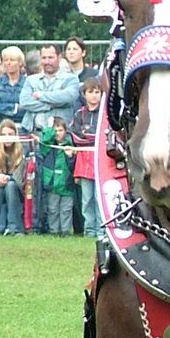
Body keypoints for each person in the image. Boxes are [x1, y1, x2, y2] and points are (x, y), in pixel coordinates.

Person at [20, 44, 80, 134]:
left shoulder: (71, 79)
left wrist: (40, 95)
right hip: (35, 134)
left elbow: (68, 97)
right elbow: (24, 102)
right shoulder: (31, 80)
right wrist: (50, 105)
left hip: (60, 136)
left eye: (51, 58)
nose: (47, 61)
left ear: (59, 57)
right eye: (44, 58)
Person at [71, 77, 103, 237]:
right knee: (87, 199)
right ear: (84, 94)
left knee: (99, 198)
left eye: (97, 92)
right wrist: (92, 137)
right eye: (91, 92)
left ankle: (101, 230)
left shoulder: (105, 115)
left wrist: (88, 136)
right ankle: (89, 230)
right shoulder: (79, 114)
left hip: (101, 162)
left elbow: (104, 137)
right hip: (84, 162)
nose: (94, 96)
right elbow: (76, 137)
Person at [0, 120, 28, 235]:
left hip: (19, 186)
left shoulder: (23, 149)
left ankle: (15, 228)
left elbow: (20, 176)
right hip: (1, 184)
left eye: (10, 134)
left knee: (10, 185)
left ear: (15, 135)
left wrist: (8, 178)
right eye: (3, 135)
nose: (7, 138)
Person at [37, 117, 76, 235]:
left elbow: (73, 166)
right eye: (55, 130)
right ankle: (54, 231)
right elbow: (44, 140)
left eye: (60, 130)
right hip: (52, 183)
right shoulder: (48, 147)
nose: (58, 133)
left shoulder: (71, 146)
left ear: (66, 131)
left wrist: (71, 157)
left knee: (66, 209)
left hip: (66, 183)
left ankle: (66, 231)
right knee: (52, 209)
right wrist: (49, 127)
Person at [0, 46, 29, 130]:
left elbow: (28, 107)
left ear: (20, 62)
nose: (8, 63)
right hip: (0, 127)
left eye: (12, 60)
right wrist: (14, 108)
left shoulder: (28, 82)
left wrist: (1, 108)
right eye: (6, 60)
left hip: (22, 127)